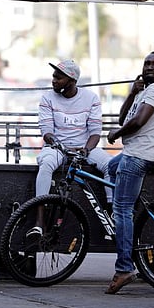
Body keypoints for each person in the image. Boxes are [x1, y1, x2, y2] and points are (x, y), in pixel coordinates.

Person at [105, 51, 154, 294]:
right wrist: (132, 92)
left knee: (121, 211)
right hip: (136, 152)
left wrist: (116, 134)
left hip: (139, 155)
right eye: (147, 63)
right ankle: (126, 212)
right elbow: (124, 117)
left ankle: (124, 268)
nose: (151, 67)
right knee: (111, 167)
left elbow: (139, 121)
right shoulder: (144, 90)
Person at [29, 59, 113, 236]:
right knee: (46, 165)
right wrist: (58, 144)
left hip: (84, 148)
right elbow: (46, 131)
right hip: (57, 148)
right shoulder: (47, 98)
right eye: (53, 76)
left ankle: (112, 214)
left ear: (72, 81)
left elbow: (95, 132)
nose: (54, 80)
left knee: (110, 165)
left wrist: (85, 150)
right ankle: (39, 223)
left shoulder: (91, 98)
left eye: (58, 78)